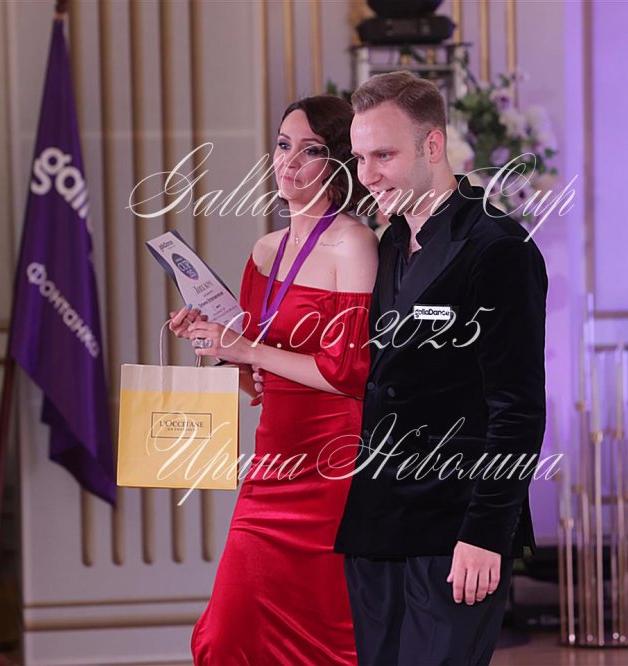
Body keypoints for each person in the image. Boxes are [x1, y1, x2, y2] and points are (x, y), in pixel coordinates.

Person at [333, 71, 548, 666]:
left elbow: (518, 411)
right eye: (360, 158)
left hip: (455, 530)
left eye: (383, 155)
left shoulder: (499, 249)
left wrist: (485, 533)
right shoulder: (386, 245)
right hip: (376, 527)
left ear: (433, 146)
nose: (367, 174)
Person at [170, 95, 377, 665]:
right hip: (271, 468)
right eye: (283, 145)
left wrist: (244, 347)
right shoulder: (265, 251)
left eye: (310, 150)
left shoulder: (354, 243)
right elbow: (256, 382)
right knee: (225, 636)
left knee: (330, 641)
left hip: (333, 470)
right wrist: (214, 342)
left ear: (338, 164)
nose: (289, 161)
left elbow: (348, 373)